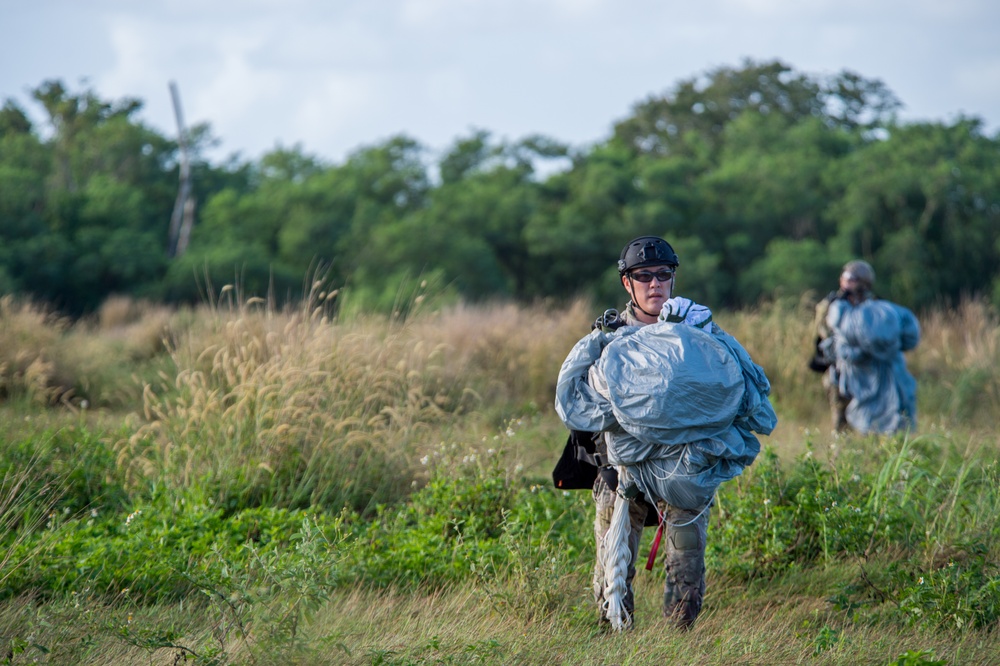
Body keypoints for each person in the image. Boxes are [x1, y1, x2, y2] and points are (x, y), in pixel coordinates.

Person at [554, 236, 776, 632]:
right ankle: (614, 642)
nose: (655, 284)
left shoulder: (698, 333)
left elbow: (735, 387)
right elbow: (579, 402)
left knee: (687, 565)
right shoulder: (609, 336)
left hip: (686, 468)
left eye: (663, 275)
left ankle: (676, 644)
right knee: (612, 568)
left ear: (673, 279)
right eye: (644, 276)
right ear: (628, 283)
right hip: (620, 471)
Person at [811, 260, 920, 435]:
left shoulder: (874, 307)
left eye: (852, 279)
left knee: (873, 418)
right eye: (845, 278)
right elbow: (823, 332)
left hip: (869, 372)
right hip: (841, 371)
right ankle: (842, 454)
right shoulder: (833, 305)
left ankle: (870, 452)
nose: (847, 282)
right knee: (841, 420)